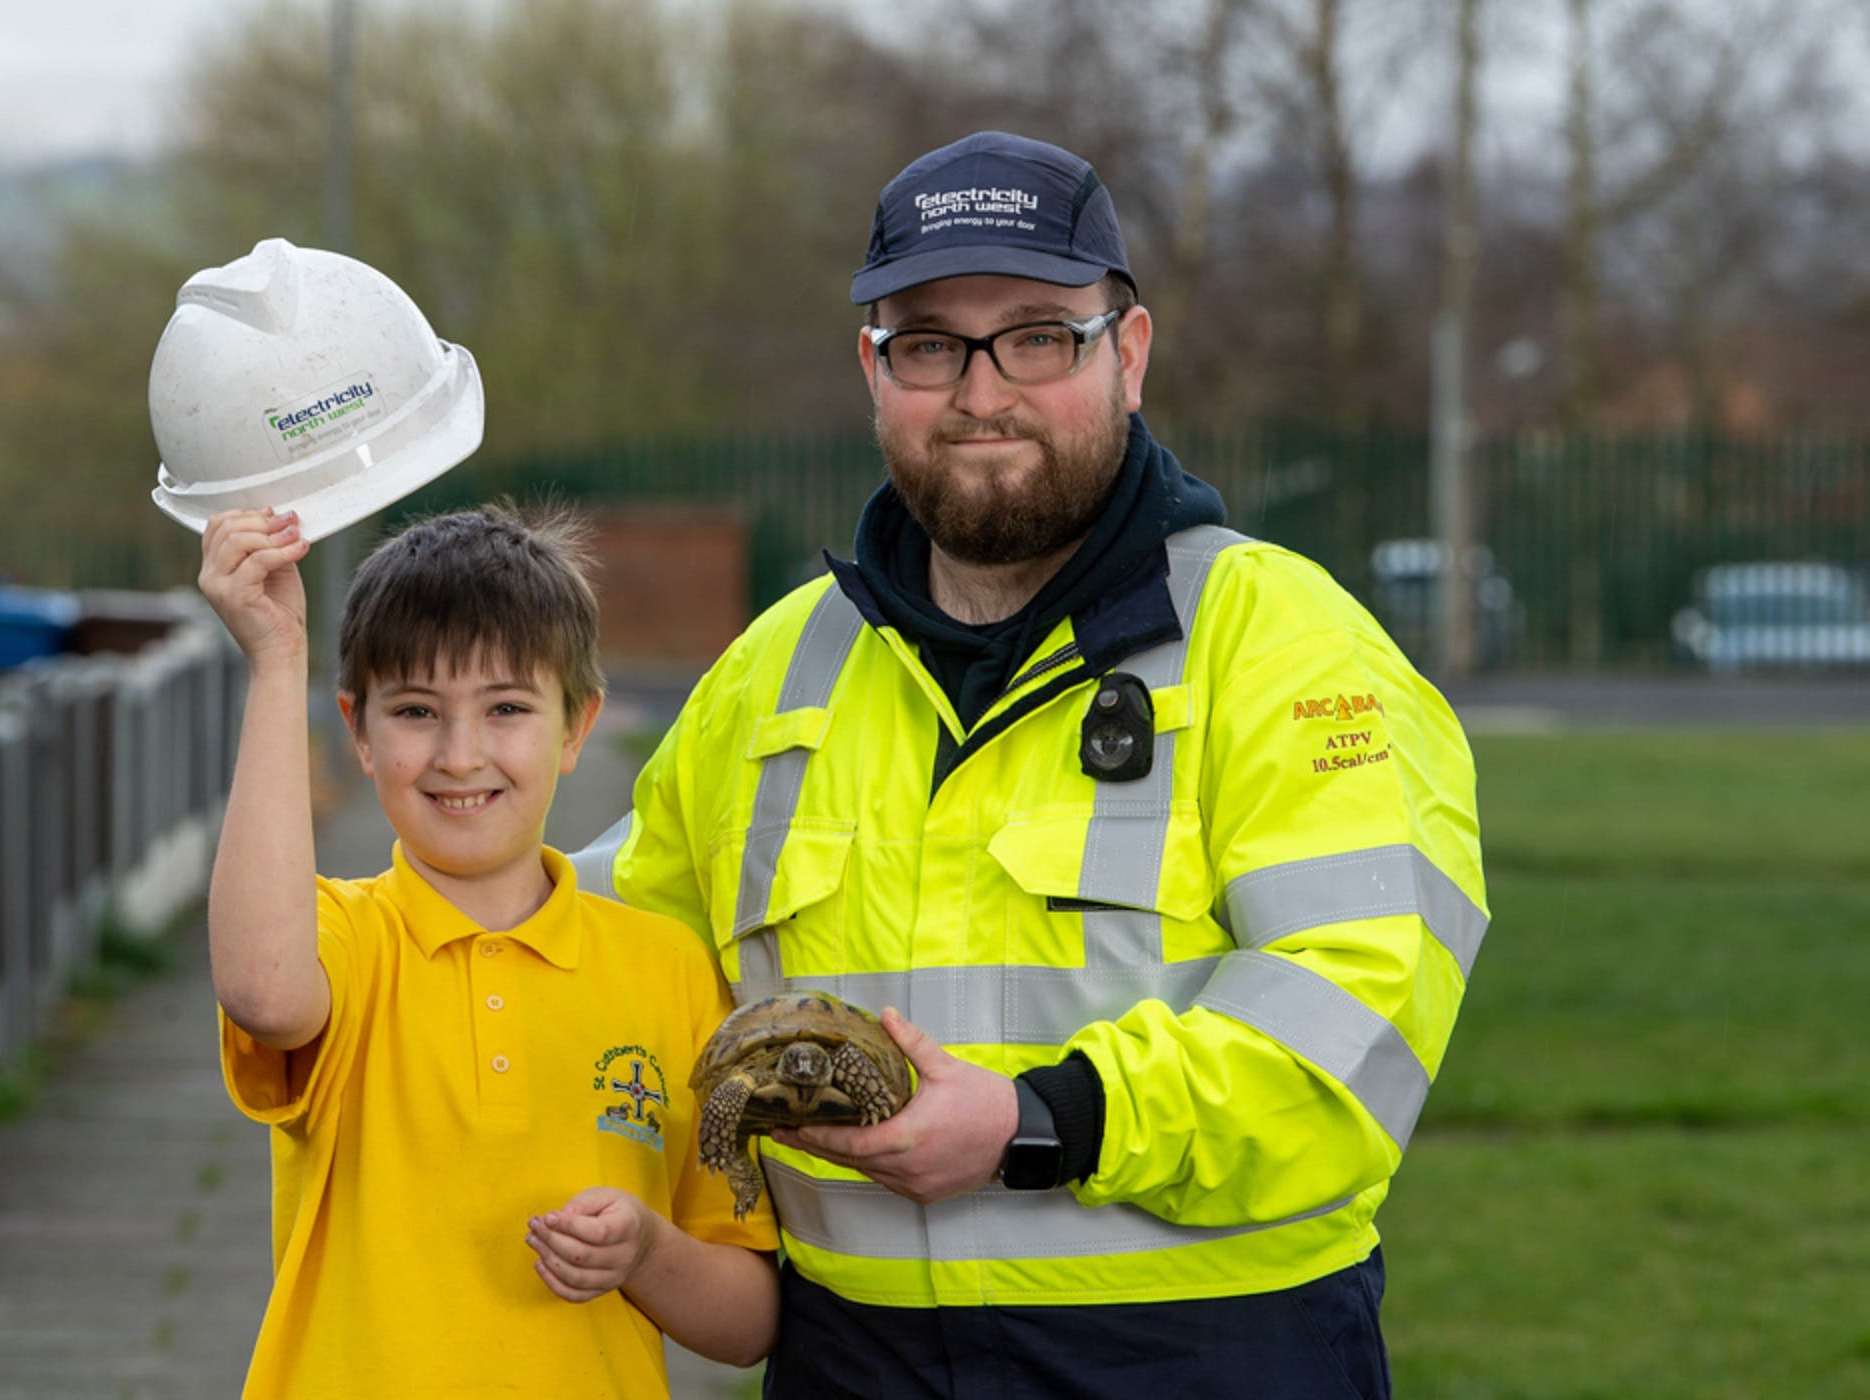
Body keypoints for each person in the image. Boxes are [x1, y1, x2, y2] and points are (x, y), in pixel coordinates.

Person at [574, 131, 1487, 1397]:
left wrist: (1037, 1118)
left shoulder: (1284, 641)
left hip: (1208, 1357)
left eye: (1038, 335)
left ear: (1132, 351)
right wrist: (373, 949)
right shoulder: (773, 670)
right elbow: (595, 954)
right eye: (931, 343)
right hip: (853, 1357)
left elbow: (1355, 1020)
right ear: (871, 368)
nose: (981, 390)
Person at [198, 502, 780, 1398]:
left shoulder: (670, 971)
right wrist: (278, 664)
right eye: (417, 711)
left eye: (506, 707)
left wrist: (649, 1251)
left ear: (578, 726)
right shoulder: (344, 938)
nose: (461, 755)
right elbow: (265, 993)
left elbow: (748, 1325)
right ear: (357, 729)